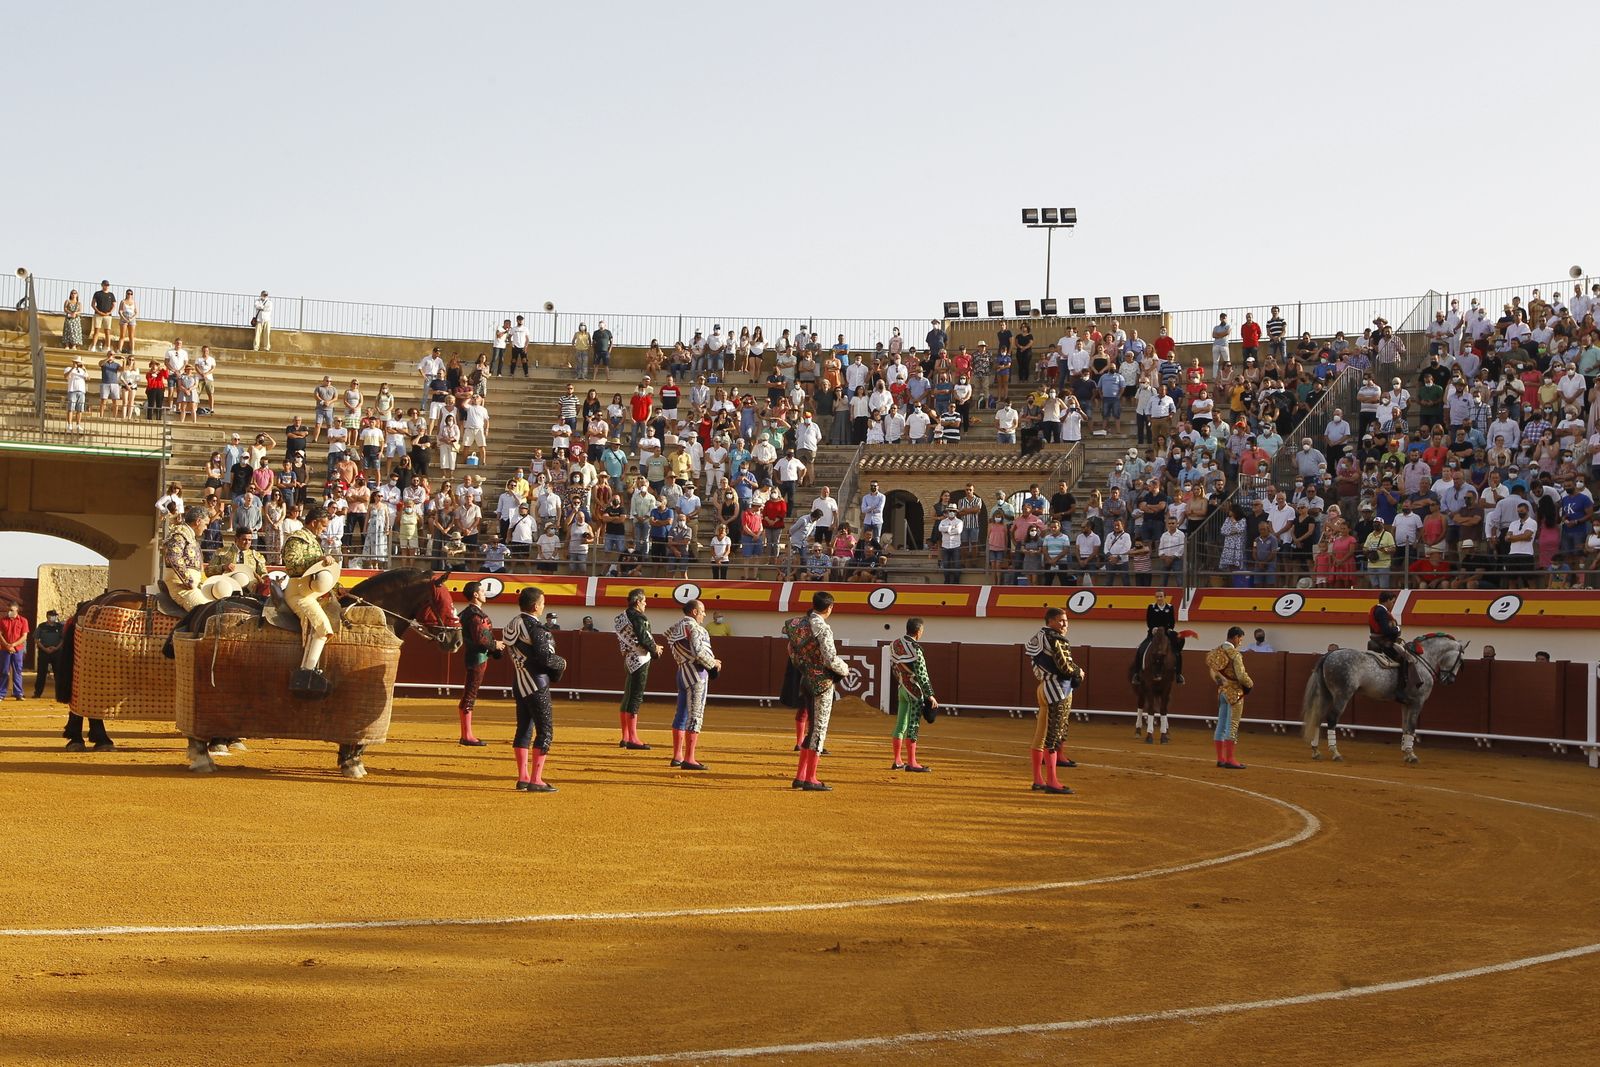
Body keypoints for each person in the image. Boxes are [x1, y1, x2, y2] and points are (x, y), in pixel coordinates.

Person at [785, 590, 850, 791]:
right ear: (829, 608)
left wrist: (803, 667)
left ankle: (800, 776)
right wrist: (845, 669)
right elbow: (830, 659)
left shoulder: (797, 624)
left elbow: (791, 650)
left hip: (805, 678)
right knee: (819, 728)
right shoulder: (823, 628)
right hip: (821, 682)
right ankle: (810, 778)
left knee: (812, 728)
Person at [502, 586, 565, 792]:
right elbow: (545, 657)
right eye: (543, 602)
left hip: (519, 681)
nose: (544, 605)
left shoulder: (513, 623)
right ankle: (536, 780)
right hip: (536, 683)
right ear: (536, 606)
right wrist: (562, 663)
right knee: (545, 731)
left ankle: (523, 777)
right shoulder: (535, 628)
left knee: (524, 729)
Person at [282, 503, 341, 694]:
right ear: (314, 523)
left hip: (311, 593)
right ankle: (306, 673)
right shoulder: (296, 539)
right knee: (322, 627)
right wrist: (317, 561)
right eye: (323, 525)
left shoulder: (313, 541)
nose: (324, 529)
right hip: (298, 593)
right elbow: (291, 566)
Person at [1025, 607, 1082, 794]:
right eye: (1060, 620)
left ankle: (1038, 779)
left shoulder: (1038, 637)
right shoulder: (1056, 638)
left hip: (1044, 686)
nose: (1064, 624)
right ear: (1050, 621)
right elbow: (1065, 666)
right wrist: (1078, 673)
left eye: (1066, 620)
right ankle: (1052, 781)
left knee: (1041, 734)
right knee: (1053, 735)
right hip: (1058, 690)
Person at [665, 598, 721, 770]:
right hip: (696, 674)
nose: (704, 614)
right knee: (695, 714)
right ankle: (689, 758)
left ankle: (677, 756)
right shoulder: (695, 628)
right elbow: (698, 651)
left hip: (682, 672)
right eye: (702, 611)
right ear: (694, 612)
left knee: (681, 713)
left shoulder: (676, 627)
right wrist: (713, 664)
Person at [613, 587, 663, 750]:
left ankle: (625, 737)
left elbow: (630, 639)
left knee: (628, 696)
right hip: (640, 659)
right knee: (635, 697)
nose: (646, 604)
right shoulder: (639, 617)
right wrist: (655, 650)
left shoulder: (620, 617)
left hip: (628, 658)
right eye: (644, 601)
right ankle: (633, 739)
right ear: (638, 602)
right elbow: (643, 638)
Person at [888, 617, 937, 772]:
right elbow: (922, 674)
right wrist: (930, 695)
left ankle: (897, 761)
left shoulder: (895, 644)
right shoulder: (915, 648)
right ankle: (912, 762)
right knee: (913, 724)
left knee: (900, 723)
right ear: (918, 631)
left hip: (902, 687)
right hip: (914, 691)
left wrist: (902, 681)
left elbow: (894, 668)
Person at [457, 580, 502, 747]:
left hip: (475, 656)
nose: (485, 593)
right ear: (475, 595)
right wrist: (495, 646)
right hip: (478, 657)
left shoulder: (466, 613)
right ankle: (467, 736)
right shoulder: (475, 615)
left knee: (470, 693)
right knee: (470, 695)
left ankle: (466, 734)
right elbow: (481, 640)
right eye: (482, 591)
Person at [1206, 626, 1253, 769]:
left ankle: (1220, 758)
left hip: (1222, 692)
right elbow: (1241, 676)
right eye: (1240, 639)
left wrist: (1221, 683)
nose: (1240, 642)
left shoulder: (1216, 651)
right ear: (1235, 637)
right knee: (1231, 726)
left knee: (1220, 725)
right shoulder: (1235, 654)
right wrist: (1250, 684)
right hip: (1234, 694)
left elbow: (1213, 671)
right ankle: (1230, 759)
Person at [1367, 590, 1419, 699]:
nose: (1393, 604)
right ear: (1387, 601)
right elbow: (1386, 630)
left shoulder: (1377, 609)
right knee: (1404, 659)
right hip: (1384, 642)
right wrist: (1397, 629)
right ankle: (1399, 690)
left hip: (1378, 640)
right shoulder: (1381, 611)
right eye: (1392, 602)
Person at [1132, 588, 1185, 684]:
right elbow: (1149, 621)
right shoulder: (1151, 607)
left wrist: (1170, 629)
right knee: (1141, 649)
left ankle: (1178, 674)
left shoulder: (1170, 607)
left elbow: (1172, 621)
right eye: (1157, 597)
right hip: (1153, 633)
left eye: (1161, 596)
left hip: (1166, 633)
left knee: (1176, 652)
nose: (1159, 598)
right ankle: (1137, 674)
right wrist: (1153, 628)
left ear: (1165, 597)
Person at [31, 608, 65, 699]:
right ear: (47, 617)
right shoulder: (41, 626)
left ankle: (59, 694)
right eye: (51, 616)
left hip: (56, 652)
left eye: (54, 616)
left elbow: (63, 639)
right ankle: (37, 693)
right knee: (41, 673)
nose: (53, 617)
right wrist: (44, 649)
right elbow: (36, 639)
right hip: (44, 652)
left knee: (58, 674)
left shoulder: (60, 626)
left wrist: (56, 648)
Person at [0, 601, 28, 700]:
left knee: (17, 671)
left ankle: (18, 693)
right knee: (4, 671)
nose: (9, 612)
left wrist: (13, 645)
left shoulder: (23, 621)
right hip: (4, 649)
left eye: (11, 610)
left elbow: (24, 636)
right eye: (8, 610)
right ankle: (1, 694)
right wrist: (7, 645)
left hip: (18, 650)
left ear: (17, 610)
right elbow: (0, 634)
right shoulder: (3, 620)